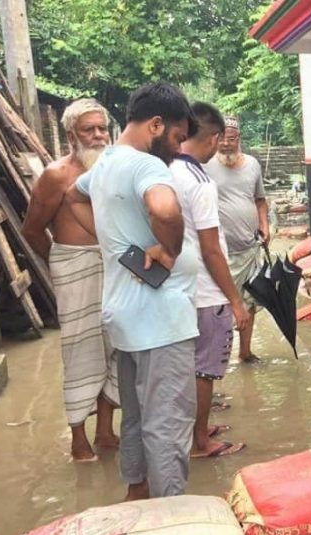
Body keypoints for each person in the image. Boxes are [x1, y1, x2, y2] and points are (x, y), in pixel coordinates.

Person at [65, 82, 199, 500]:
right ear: (156, 124)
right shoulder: (146, 166)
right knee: (169, 424)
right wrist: (169, 249)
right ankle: (172, 520)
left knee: (138, 418)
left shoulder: (105, 164)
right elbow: (164, 208)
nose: (177, 149)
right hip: (161, 322)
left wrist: (114, 245)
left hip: (124, 316)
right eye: (177, 137)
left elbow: (73, 197)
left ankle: (136, 494)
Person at [22, 98, 119, 462]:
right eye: (88, 130)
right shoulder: (56, 175)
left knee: (116, 345)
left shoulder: (114, 167)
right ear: (70, 136)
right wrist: (60, 263)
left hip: (113, 265)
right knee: (79, 351)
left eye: (101, 128)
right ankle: (79, 440)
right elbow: (32, 230)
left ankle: (106, 432)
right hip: (72, 267)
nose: (97, 136)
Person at [170, 102, 250, 458]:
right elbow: (211, 249)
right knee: (205, 369)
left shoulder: (165, 169)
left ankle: (193, 429)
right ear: (215, 138)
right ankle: (199, 441)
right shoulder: (200, 181)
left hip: (177, 288)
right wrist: (235, 300)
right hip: (204, 290)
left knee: (187, 366)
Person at [204, 116, 268, 364]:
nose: (226, 144)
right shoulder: (206, 165)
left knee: (249, 301)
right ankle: (216, 359)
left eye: (231, 139)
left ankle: (245, 351)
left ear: (238, 139)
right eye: (221, 139)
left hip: (249, 247)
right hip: (218, 252)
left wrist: (264, 225)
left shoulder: (252, 164)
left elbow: (260, 200)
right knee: (220, 305)